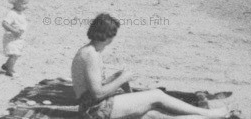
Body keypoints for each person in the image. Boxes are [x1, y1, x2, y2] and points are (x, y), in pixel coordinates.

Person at [71, 13, 228, 119]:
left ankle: (200, 114)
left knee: (151, 108)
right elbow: (97, 94)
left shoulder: (90, 51)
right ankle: (209, 114)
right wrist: (123, 78)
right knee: (156, 95)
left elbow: (92, 86)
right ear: (107, 36)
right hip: (94, 110)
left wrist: (116, 76)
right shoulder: (90, 55)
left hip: (93, 107)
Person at [1, 0, 28, 77]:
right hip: (11, 38)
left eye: (26, 3)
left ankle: (6, 65)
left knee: (16, 54)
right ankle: (10, 71)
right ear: (15, 3)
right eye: (23, 3)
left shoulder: (20, 13)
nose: (25, 6)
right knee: (14, 54)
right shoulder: (12, 14)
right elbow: (4, 23)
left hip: (19, 38)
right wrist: (13, 30)